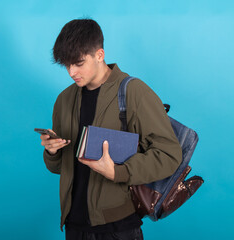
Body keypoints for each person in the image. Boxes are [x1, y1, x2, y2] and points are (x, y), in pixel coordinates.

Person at [40, 19, 182, 240]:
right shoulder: (64, 100)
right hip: (73, 226)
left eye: (78, 63)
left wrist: (118, 172)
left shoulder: (134, 92)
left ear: (100, 54)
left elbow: (169, 155)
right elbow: (60, 168)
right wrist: (52, 151)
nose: (71, 72)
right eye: (66, 65)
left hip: (118, 228)